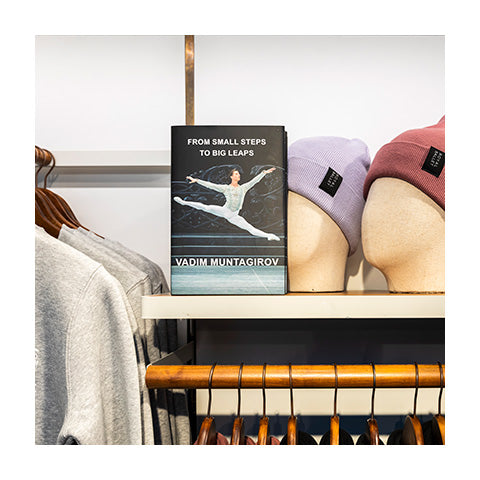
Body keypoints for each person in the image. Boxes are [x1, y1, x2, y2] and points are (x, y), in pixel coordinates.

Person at [174, 167, 280, 241]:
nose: (238, 175)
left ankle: (269, 235)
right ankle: (184, 202)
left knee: (250, 228)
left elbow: (253, 181)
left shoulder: (243, 188)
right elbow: (211, 185)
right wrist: (197, 180)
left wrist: (263, 173)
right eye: (236, 174)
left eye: (238, 174)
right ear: (231, 177)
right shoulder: (226, 188)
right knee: (206, 207)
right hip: (225, 211)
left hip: (234, 215)